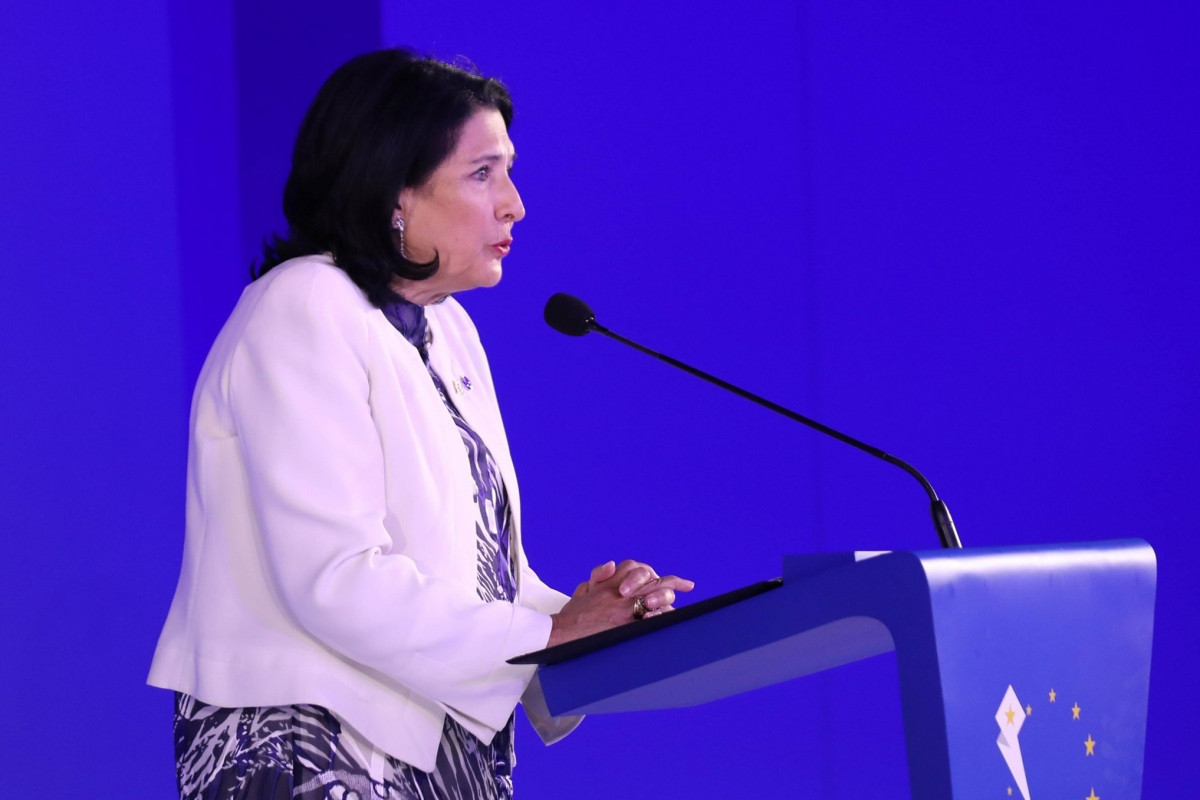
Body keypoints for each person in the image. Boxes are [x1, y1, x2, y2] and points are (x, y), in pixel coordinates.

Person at [147, 48, 693, 800]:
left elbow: (471, 576)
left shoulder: (448, 328)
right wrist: (550, 636)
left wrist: (587, 619)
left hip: (433, 751)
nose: (514, 204)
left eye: (509, 171)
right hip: (316, 745)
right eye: (483, 173)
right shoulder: (303, 305)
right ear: (394, 189)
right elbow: (333, 575)